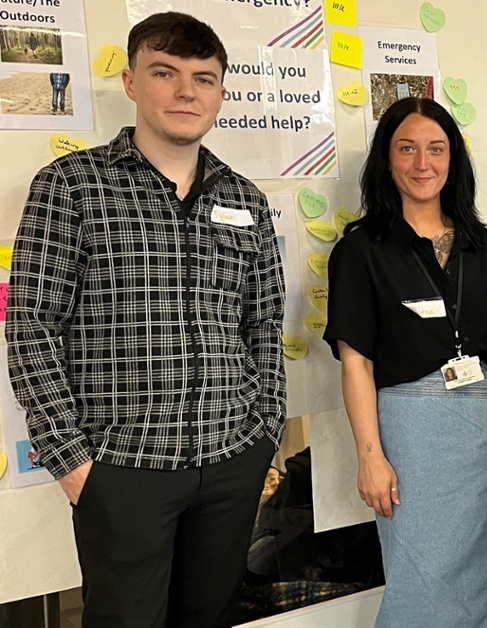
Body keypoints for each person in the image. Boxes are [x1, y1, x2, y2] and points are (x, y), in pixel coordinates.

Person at [7, 13, 285, 626]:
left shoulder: (244, 199)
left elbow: (263, 325)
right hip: (122, 467)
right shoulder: (71, 187)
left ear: (220, 93)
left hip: (232, 458)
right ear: (132, 82)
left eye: (203, 79)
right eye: (166, 73)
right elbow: (31, 324)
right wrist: (72, 459)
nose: (186, 92)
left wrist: (265, 430)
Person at [324, 97, 487, 627]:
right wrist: (370, 457)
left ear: (452, 160)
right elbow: (355, 363)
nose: (423, 163)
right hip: (415, 436)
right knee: (424, 574)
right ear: (386, 160)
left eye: (436, 149)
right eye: (407, 148)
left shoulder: (483, 245)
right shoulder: (361, 250)